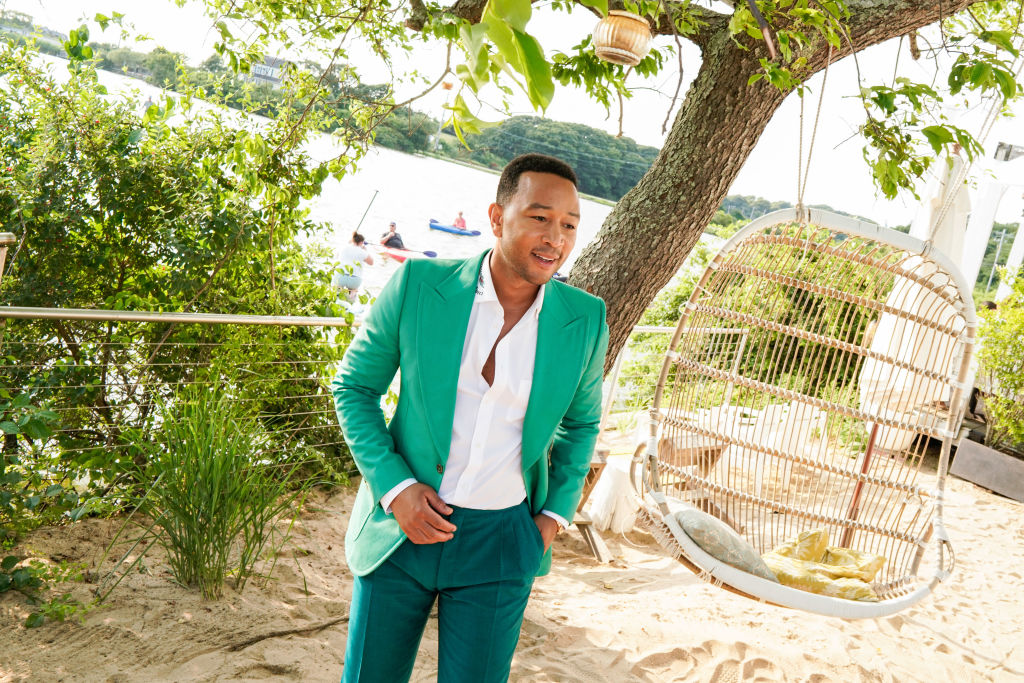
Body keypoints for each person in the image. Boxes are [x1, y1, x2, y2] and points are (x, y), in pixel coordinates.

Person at [332, 153, 608, 683]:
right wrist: (396, 489)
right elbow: (354, 387)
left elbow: (582, 426)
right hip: (400, 528)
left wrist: (552, 520)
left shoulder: (585, 318)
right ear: (497, 217)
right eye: (540, 217)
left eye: (570, 225)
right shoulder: (418, 284)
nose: (556, 237)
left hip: (503, 541)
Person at [332, 232, 374, 300]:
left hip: (340, 277)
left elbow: (336, 257)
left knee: (336, 290)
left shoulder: (343, 247)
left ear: (352, 240)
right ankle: (351, 299)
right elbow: (371, 262)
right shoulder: (362, 252)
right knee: (354, 290)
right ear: (361, 242)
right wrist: (366, 250)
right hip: (354, 280)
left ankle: (334, 299)